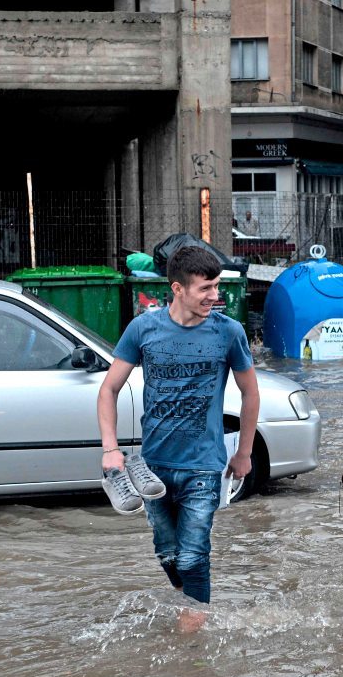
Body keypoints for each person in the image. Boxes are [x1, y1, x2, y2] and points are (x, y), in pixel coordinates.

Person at [98, 246, 259, 631]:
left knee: (192, 556)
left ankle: (192, 638)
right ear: (178, 289)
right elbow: (108, 390)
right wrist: (110, 450)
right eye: (206, 288)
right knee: (167, 554)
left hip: (204, 464)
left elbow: (251, 393)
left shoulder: (228, 332)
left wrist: (245, 453)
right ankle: (198, 612)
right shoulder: (143, 328)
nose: (214, 297)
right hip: (151, 467)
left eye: (217, 287)